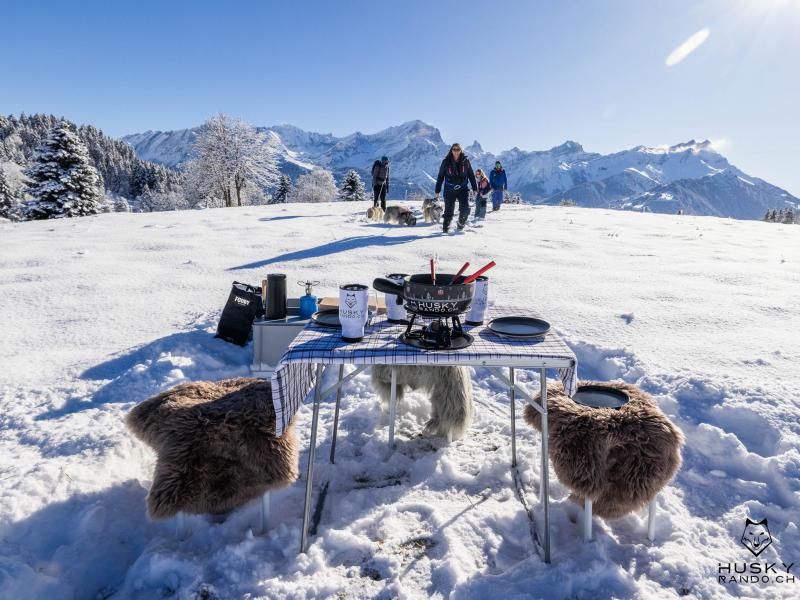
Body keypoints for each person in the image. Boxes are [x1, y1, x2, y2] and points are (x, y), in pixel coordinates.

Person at [435, 143, 477, 232]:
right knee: (448, 211)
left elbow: (471, 175)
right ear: (451, 150)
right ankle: (446, 228)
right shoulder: (446, 162)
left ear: (461, 150)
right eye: (454, 149)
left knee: (465, 209)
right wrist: (437, 190)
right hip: (449, 189)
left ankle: (461, 224)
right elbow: (440, 176)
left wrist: (474, 188)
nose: (456, 151)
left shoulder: (466, 161)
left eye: (458, 149)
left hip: (463, 189)